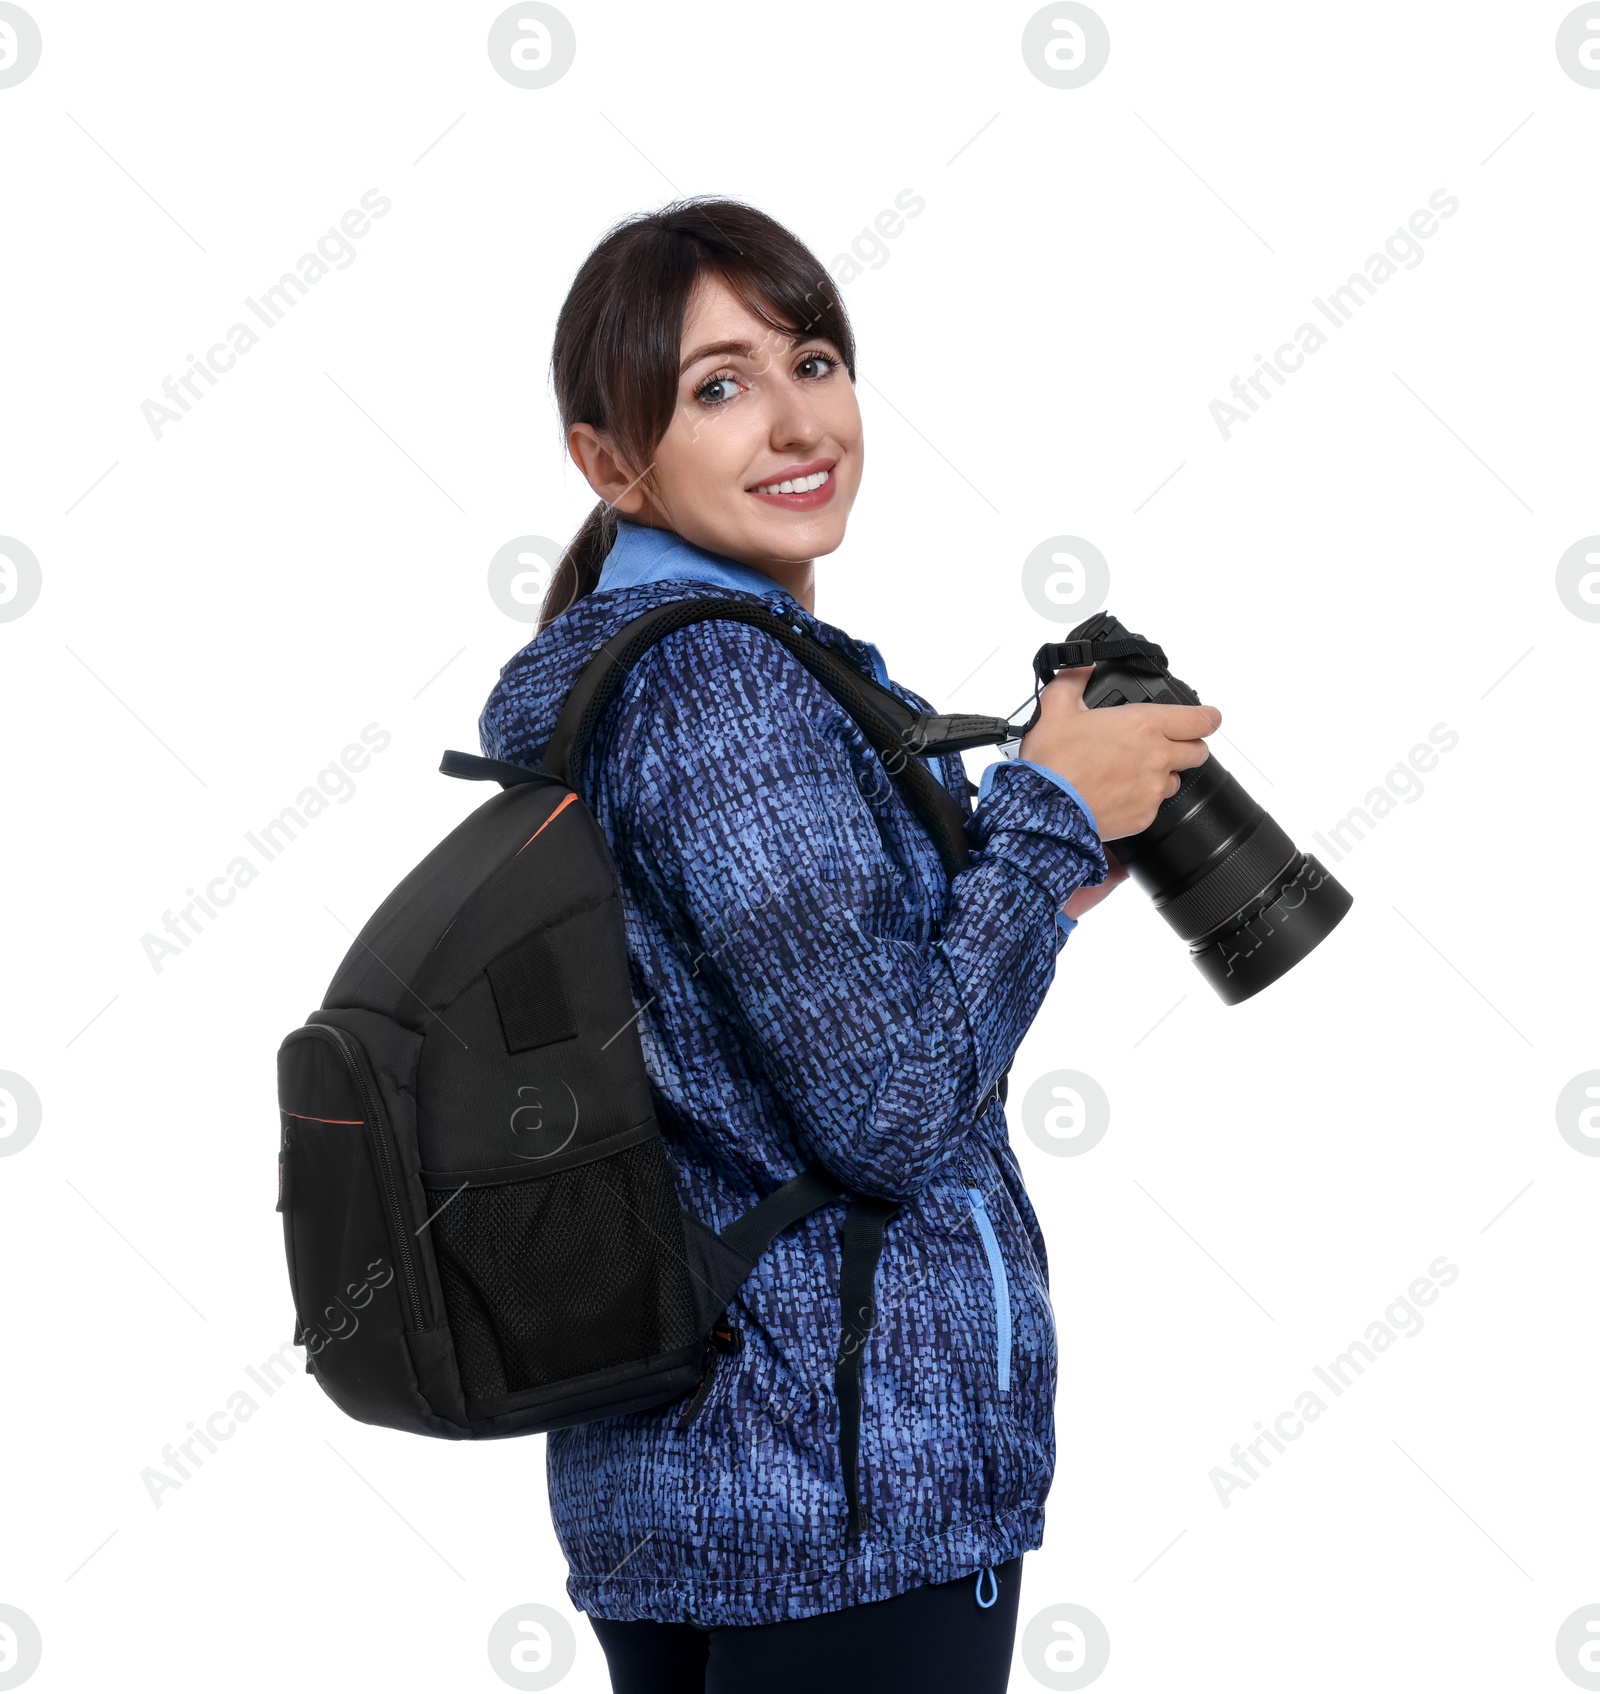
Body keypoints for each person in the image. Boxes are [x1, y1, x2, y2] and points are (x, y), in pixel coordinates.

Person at [478, 198, 1221, 1694]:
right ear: (606, 461)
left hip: (699, 1480)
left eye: (812, 358)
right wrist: (1046, 815)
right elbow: (893, 1108)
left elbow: (753, 1039)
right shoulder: (724, 690)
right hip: (845, 1494)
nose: (794, 420)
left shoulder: (636, 675)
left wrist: (1035, 870)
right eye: (718, 386)